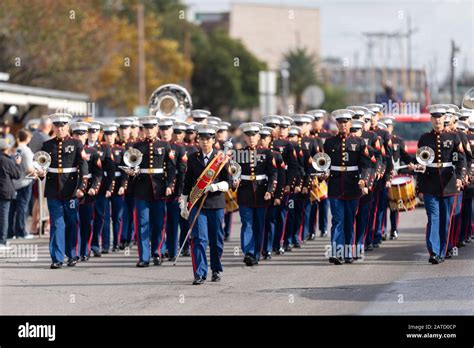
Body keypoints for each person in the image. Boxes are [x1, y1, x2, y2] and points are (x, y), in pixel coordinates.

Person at [409, 104, 466, 264]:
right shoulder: (424, 138)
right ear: (431, 119)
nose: (437, 121)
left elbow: (461, 159)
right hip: (430, 183)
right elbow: (420, 159)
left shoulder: (453, 137)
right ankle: (434, 252)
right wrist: (415, 166)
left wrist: (461, 176)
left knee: (446, 219)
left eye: (440, 118)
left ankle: (442, 250)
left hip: (449, 184)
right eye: (434, 118)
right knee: (433, 218)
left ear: (444, 118)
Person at [180, 124, 231, 284]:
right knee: (199, 238)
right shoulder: (193, 158)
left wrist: (216, 186)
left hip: (215, 203)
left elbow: (228, 182)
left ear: (213, 140)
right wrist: (184, 202)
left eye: (207, 139)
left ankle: (216, 269)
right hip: (197, 204)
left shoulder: (221, 158)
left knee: (216, 239)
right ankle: (200, 273)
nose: (204, 142)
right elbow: (187, 182)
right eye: (201, 139)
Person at [37, 113, 88, 269]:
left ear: (67, 126)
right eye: (57, 126)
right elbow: (42, 166)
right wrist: (41, 173)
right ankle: (57, 258)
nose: (60, 129)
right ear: (53, 126)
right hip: (53, 190)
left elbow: (83, 166)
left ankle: (72, 254)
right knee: (57, 224)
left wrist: (81, 187)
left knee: (72, 222)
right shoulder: (47, 145)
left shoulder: (76, 143)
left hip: (71, 189)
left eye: (63, 126)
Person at [324, 109, 371, 264]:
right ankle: (336, 253)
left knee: (349, 220)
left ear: (350, 123)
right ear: (337, 124)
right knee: (338, 219)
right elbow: (323, 162)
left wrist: (364, 179)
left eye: (346, 122)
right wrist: (323, 172)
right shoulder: (330, 142)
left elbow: (365, 165)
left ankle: (349, 252)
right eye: (340, 122)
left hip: (353, 186)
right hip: (336, 185)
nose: (343, 125)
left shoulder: (359, 142)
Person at [129, 116, 176, 267]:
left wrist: (169, 185)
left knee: (158, 223)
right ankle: (144, 257)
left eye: (152, 128)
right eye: (146, 128)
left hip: (159, 189)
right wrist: (132, 172)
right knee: (142, 223)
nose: (149, 131)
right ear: (143, 129)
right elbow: (132, 165)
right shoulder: (136, 146)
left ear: (157, 129)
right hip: (141, 189)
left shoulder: (164, 145)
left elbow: (171, 168)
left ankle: (157, 252)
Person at [234, 122, 278, 266]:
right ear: (245, 137)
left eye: (254, 135)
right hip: (245, 193)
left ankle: (257, 253)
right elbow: (234, 172)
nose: (251, 138)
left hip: (261, 193)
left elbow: (273, 173)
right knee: (247, 224)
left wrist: (270, 191)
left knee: (259, 224)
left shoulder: (266, 153)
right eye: (248, 135)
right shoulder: (239, 153)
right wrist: (234, 182)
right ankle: (248, 252)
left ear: (258, 136)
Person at [71, 122, 103, 262]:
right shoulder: (68, 149)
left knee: (86, 223)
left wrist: (94, 188)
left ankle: (85, 250)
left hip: (87, 193)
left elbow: (98, 173)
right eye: (76, 134)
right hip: (71, 191)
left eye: (82, 134)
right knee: (73, 222)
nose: (79, 136)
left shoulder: (92, 152)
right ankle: (74, 252)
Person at [8, 129, 35, 240]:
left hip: (15, 182)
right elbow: (29, 168)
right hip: (24, 182)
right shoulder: (26, 150)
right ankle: (21, 231)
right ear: (28, 138)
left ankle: (10, 232)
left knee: (13, 209)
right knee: (22, 208)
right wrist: (37, 172)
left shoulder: (17, 149)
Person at [29, 115, 53, 236]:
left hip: (36, 172)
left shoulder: (34, 136)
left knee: (38, 201)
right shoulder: (46, 139)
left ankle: (35, 226)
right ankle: (36, 226)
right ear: (49, 126)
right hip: (43, 173)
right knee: (42, 202)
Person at [0, 138, 22, 250]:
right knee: (4, 217)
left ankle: (2, 240)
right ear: (6, 148)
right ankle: (2, 241)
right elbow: (17, 174)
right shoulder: (6, 160)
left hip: (3, 191)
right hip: (5, 191)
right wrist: (17, 164)